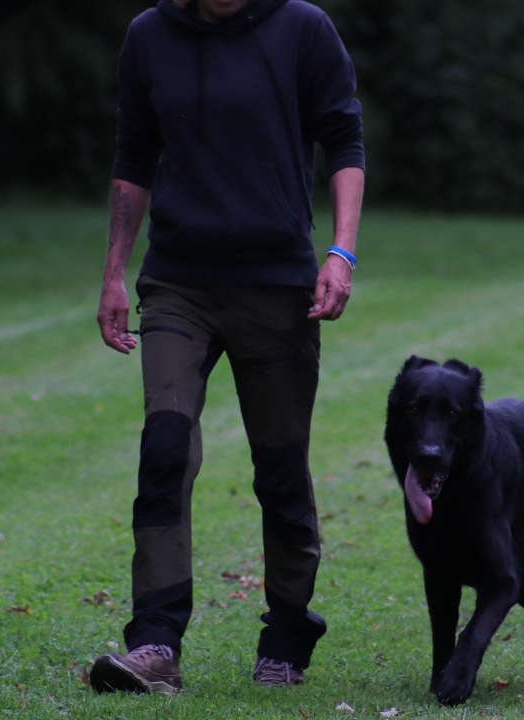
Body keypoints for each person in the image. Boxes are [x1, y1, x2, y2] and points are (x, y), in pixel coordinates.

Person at [90, 0, 365, 695]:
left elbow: (344, 141)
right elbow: (134, 153)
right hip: (178, 283)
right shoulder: (150, 35)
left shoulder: (302, 29)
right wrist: (114, 270)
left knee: (280, 467)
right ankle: (155, 644)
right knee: (165, 447)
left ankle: (286, 637)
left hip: (276, 286)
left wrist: (341, 252)